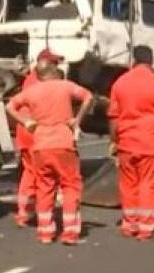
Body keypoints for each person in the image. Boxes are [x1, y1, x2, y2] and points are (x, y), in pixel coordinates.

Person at [6, 62, 93, 245]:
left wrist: (25, 122)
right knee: (70, 186)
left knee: (45, 188)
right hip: (63, 143)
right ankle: (69, 232)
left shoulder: (31, 92)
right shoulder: (65, 86)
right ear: (54, 71)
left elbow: (9, 107)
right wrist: (77, 120)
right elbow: (88, 97)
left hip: (40, 145)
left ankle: (45, 232)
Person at [107, 45, 154, 240]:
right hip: (151, 144)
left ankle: (129, 224)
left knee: (128, 184)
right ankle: (146, 227)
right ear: (151, 61)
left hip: (127, 144)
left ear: (133, 60)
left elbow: (113, 117)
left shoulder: (120, 83)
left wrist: (114, 141)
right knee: (150, 184)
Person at [13, 48, 64, 227]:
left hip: (25, 132)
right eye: (55, 63)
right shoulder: (43, 83)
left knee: (29, 173)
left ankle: (24, 212)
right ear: (46, 64)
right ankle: (43, 216)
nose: (57, 66)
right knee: (44, 176)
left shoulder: (30, 80)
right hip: (36, 133)